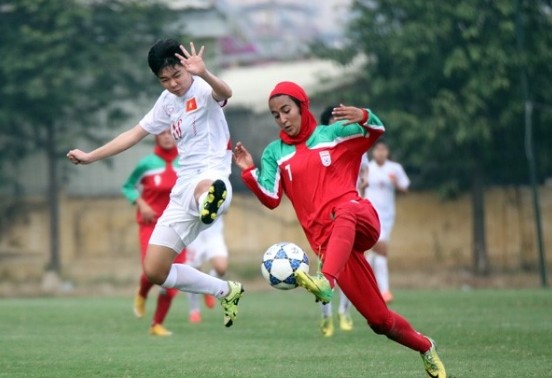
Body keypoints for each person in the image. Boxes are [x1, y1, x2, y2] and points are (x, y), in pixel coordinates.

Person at [233, 82, 446, 378]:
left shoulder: (331, 135)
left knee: (343, 208)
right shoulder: (275, 153)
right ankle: (426, 347)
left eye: (286, 110)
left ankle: (325, 282)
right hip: (332, 248)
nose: (282, 119)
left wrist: (364, 115)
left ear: (302, 107)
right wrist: (247, 170)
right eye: (275, 115)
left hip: (360, 219)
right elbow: (270, 198)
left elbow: (375, 132)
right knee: (379, 321)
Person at [67, 39, 244, 328]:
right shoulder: (166, 103)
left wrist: (205, 72)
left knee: (206, 190)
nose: (173, 84)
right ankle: (226, 290)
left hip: (211, 171)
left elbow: (226, 92)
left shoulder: (201, 87)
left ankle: (211, 201)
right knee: (154, 271)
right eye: (165, 80)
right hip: (182, 186)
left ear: (187, 67)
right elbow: (133, 134)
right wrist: (90, 156)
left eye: (177, 75)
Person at [121, 129, 187, 336]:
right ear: (156, 137)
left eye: (171, 133)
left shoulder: (186, 161)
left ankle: (156, 324)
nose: (167, 136)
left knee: (176, 276)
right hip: (151, 224)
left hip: (178, 226)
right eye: (162, 133)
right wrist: (141, 204)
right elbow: (128, 186)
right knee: (152, 270)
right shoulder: (146, 164)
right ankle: (142, 293)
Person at [316, 105, 354, 337]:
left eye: (341, 118)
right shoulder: (318, 147)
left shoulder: (354, 145)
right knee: (325, 270)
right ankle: (326, 317)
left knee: (351, 269)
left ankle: (344, 312)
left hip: (349, 215)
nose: (338, 123)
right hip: (324, 217)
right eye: (333, 119)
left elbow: (363, 178)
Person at [360, 140, 410, 303]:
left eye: (384, 150)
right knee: (377, 252)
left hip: (387, 217)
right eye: (378, 150)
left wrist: (395, 183)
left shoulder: (394, 169)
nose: (381, 153)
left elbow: (405, 188)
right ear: (373, 152)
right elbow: (359, 187)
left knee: (375, 254)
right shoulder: (368, 168)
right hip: (369, 214)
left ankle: (375, 290)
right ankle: (382, 291)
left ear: (387, 152)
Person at [185, 215, 229, 323]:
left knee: (221, 268)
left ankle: (208, 285)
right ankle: (194, 310)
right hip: (194, 229)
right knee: (193, 272)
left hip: (213, 231)